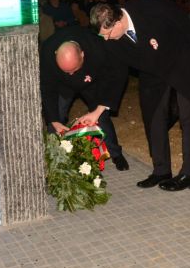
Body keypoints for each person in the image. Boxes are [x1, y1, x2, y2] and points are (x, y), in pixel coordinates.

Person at [90, 0, 190, 191]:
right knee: (153, 118)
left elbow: (185, 24)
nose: (106, 39)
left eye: (107, 34)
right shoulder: (111, 39)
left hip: (181, 61)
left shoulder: (150, 7)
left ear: (117, 22)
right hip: (152, 72)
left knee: (188, 117)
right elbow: (116, 73)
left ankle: (188, 174)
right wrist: (100, 109)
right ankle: (161, 170)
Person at [39, 27, 130, 170]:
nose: (71, 74)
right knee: (55, 120)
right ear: (55, 54)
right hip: (63, 86)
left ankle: (116, 153)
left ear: (82, 54)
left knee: (101, 117)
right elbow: (47, 88)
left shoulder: (97, 46)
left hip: (91, 82)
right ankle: (54, 159)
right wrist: (53, 120)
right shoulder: (47, 51)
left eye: (74, 70)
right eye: (67, 71)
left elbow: (115, 75)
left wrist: (99, 109)